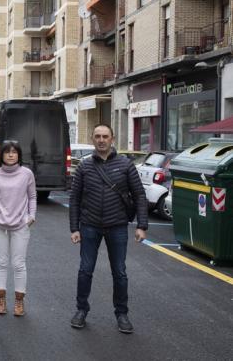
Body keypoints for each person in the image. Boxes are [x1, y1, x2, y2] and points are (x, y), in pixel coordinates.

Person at [69, 124, 148, 334]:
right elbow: (75, 199)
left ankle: (122, 314)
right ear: (93, 139)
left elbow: (139, 195)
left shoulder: (125, 165)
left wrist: (142, 225)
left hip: (117, 226)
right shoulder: (84, 167)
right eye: (97, 136)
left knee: (119, 272)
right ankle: (81, 310)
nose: (101, 140)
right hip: (89, 226)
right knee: (85, 270)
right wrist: (74, 228)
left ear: (112, 139)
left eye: (105, 136)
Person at [0, 140, 36, 316]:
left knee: (18, 264)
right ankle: (0, 300)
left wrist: (31, 217)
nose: (10, 155)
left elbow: (32, 197)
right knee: (1, 262)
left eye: (14, 152)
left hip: (20, 223)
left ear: (19, 155)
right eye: (7, 152)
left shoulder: (26, 174)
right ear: (2, 155)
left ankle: (19, 302)